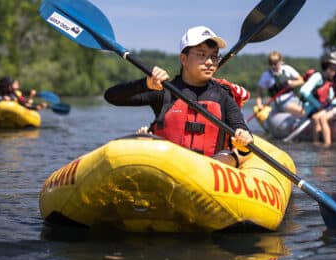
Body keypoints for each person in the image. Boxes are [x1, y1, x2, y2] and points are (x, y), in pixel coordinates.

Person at [104, 25, 254, 167]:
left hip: (210, 172)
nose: (209, 62)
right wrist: (146, 84)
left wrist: (243, 141)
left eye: (214, 56)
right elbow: (111, 96)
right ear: (183, 59)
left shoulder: (223, 96)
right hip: (169, 168)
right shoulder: (165, 90)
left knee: (226, 157)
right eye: (202, 55)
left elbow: (241, 131)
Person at [297, 56, 336, 146]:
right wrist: (318, 105)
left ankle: (318, 144)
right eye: (333, 69)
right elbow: (304, 90)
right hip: (314, 108)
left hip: (323, 107)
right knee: (317, 118)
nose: (335, 72)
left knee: (317, 117)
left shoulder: (330, 79)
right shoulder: (318, 76)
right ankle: (322, 144)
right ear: (327, 69)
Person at [255, 51, 304, 116]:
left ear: (281, 61)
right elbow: (259, 92)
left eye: (275, 63)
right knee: (301, 111)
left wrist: (292, 83)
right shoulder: (266, 75)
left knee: (308, 109)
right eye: (271, 63)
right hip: (281, 103)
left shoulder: (287, 69)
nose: (273, 66)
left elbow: (301, 80)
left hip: (293, 98)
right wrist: (259, 105)